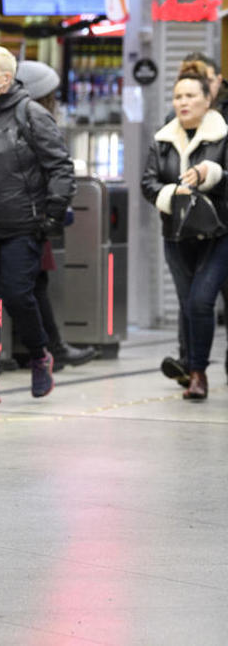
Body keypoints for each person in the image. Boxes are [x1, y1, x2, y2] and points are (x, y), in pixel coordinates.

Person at [0, 45, 75, 404]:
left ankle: (40, 354)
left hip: (21, 225)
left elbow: (59, 166)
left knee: (17, 296)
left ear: (5, 78)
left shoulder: (32, 114)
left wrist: (52, 212)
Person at [141, 60, 228, 400]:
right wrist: (168, 193)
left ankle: (198, 372)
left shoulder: (223, 136)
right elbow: (148, 183)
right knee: (188, 302)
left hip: (219, 234)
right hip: (177, 234)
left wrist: (213, 173)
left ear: (208, 99)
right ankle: (192, 366)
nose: (183, 102)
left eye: (191, 95)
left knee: (201, 301)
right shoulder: (162, 139)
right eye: (178, 96)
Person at [13, 59, 97, 371]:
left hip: (29, 215)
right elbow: (57, 169)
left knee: (34, 284)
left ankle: (48, 347)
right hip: (31, 217)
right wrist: (53, 212)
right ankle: (48, 349)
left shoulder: (18, 119)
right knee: (31, 286)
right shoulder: (35, 120)